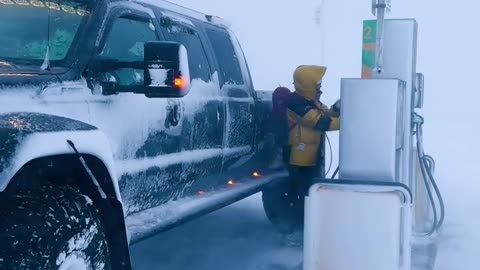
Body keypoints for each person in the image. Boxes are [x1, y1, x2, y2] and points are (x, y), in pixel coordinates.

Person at [286, 65, 340, 227]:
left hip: (310, 158)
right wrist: (351, 119)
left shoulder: (310, 101)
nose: (320, 86)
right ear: (308, 85)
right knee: (303, 196)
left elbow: (325, 115)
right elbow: (322, 123)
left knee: (311, 193)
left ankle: (310, 226)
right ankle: (297, 229)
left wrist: (336, 109)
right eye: (317, 84)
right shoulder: (297, 104)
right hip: (297, 161)